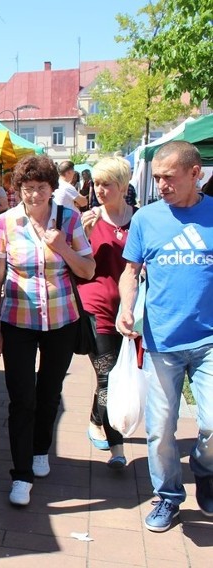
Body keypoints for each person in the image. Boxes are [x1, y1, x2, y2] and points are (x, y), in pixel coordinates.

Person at [0, 154, 95, 507]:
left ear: (53, 189)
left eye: (40, 188)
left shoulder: (69, 218)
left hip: (62, 318)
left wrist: (61, 246)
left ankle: (40, 450)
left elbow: (88, 270)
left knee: (49, 391)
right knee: (22, 398)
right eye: (27, 188)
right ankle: (21, 475)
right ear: (18, 190)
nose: (33, 196)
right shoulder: (6, 222)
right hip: (17, 319)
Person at [117, 140, 213, 533]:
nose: (161, 185)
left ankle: (204, 471)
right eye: (156, 177)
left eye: (168, 177)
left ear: (196, 173)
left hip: (209, 341)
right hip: (161, 342)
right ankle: (168, 497)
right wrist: (127, 306)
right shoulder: (146, 219)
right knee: (160, 430)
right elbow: (130, 271)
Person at [78, 157, 137, 468]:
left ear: (123, 186)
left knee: (122, 373)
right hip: (95, 307)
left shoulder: (139, 219)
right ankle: (118, 449)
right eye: (96, 184)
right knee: (108, 376)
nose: (99, 190)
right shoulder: (87, 219)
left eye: (106, 184)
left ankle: (94, 418)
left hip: (129, 310)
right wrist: (81, 238)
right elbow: (75, 265)